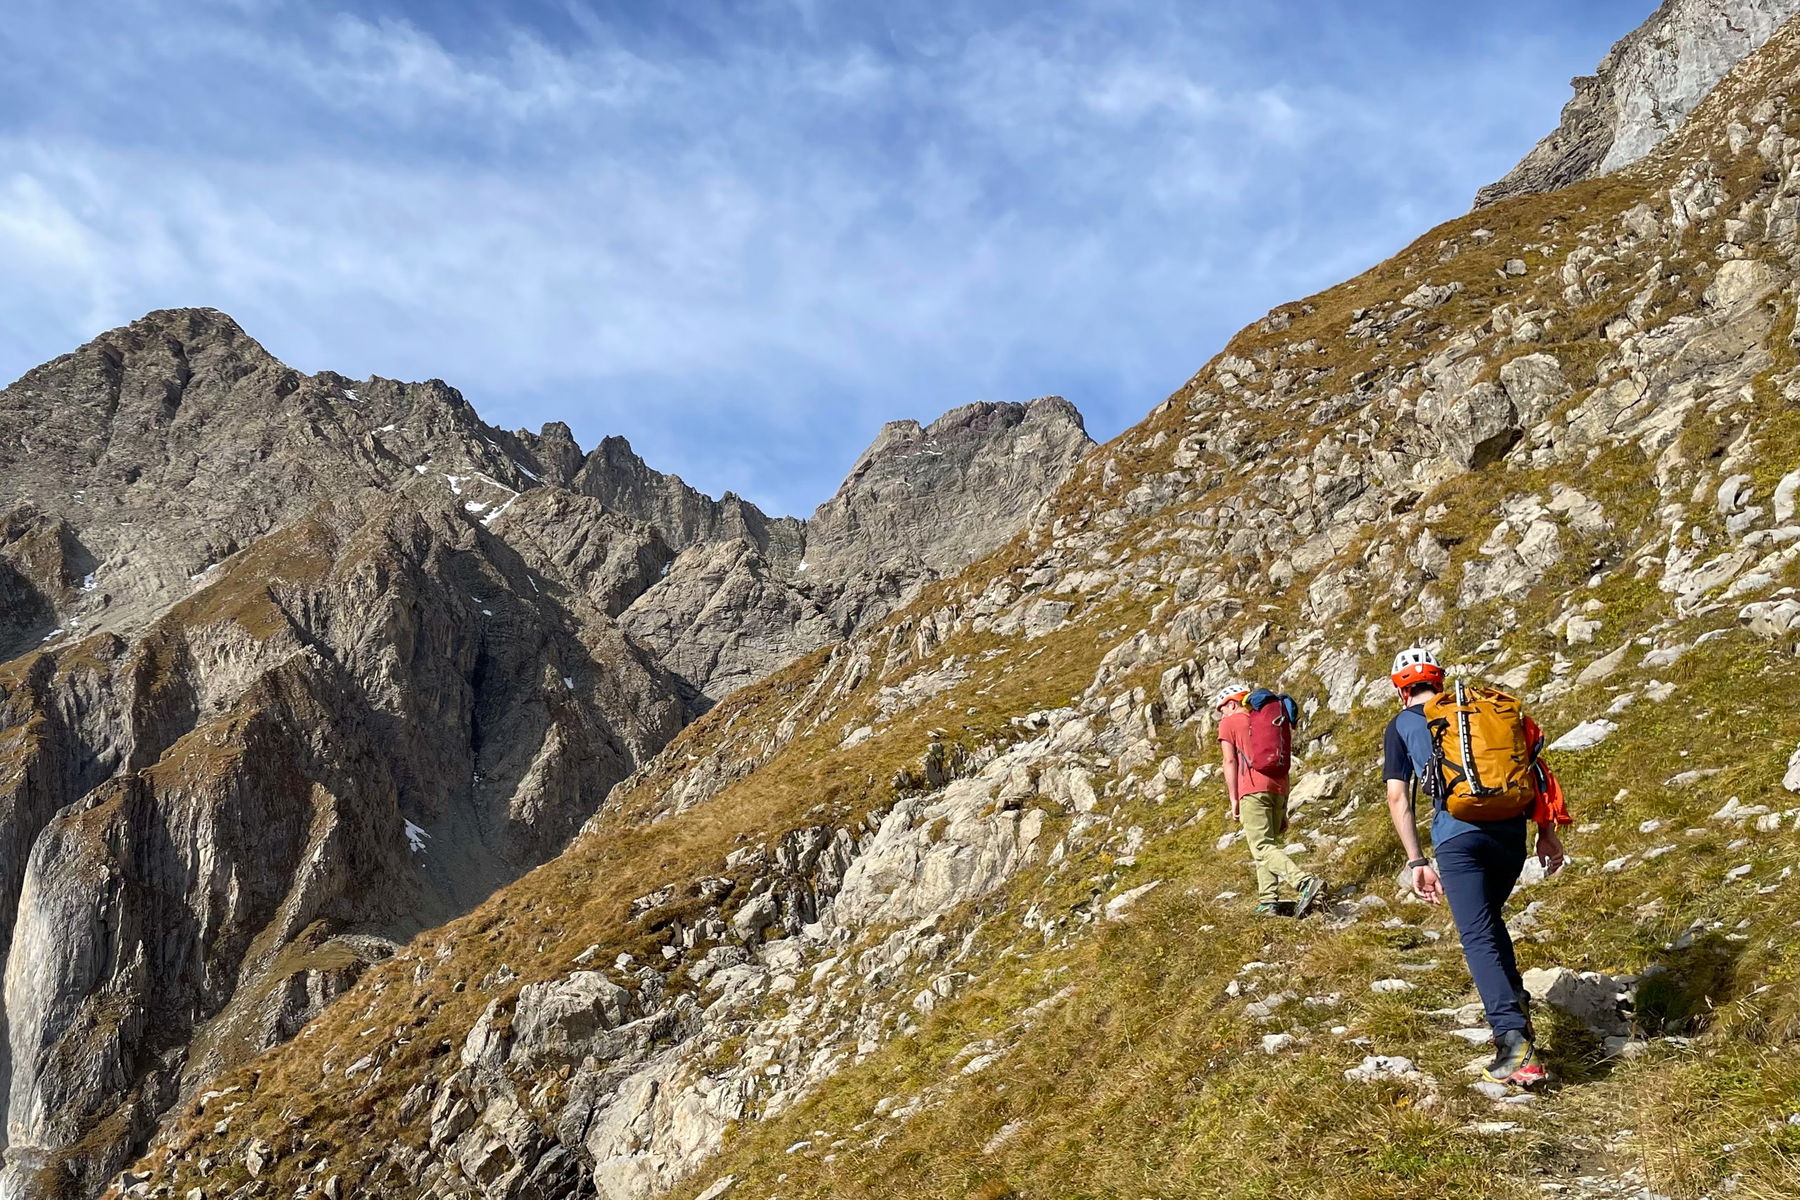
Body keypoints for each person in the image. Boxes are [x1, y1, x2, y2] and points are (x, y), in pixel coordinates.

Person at [1381, 647, 1567, 1088]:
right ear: (1438, 682)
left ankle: (1513, 1042)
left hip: (1457, 837)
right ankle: (1515, 1006)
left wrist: (1417, 861)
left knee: (1477, 934)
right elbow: (1534, 769)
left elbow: (1397, 797)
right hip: (1509, 834)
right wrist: (1547, 832)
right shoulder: (1480, 711)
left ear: (1400, 689)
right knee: (1488, 921)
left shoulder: (1402, 724)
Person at [1216, 683, 1327, 917]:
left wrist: (1234, 798)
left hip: (1252, 790)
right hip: (1278, 789)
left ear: (1232, 703)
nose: (1221, 714)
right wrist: (1284, 806)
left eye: (1222, 708)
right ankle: (1268, 901)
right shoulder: (1265, 722)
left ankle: (1304, 882)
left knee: (1262, 846)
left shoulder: (1230, 722)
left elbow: (1229, 762)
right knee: (1266, 847)